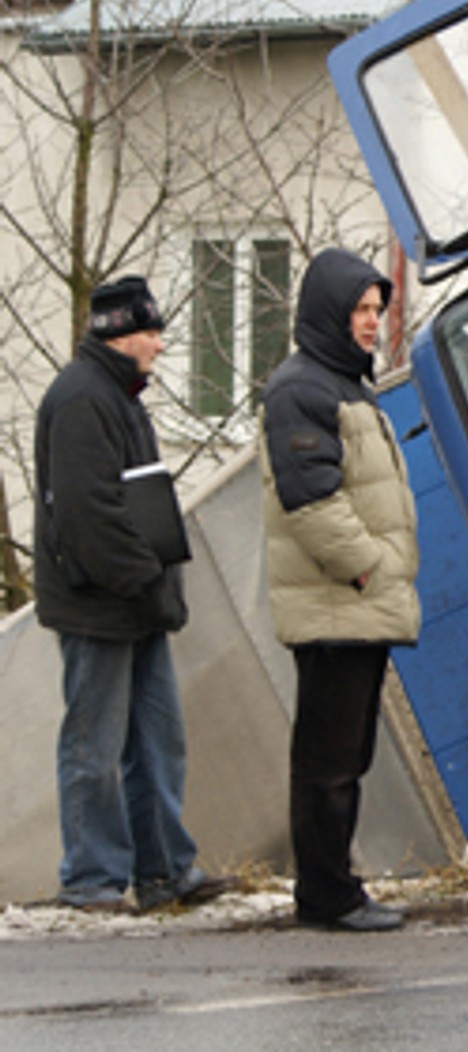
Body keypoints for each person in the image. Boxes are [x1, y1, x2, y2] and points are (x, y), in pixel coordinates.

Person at [34, 276, 234, 913]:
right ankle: (91, 878)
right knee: (94, 743)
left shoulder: (115, 395)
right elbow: (89, 517)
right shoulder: (83, 401)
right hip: (102, 604)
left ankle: (165, 870)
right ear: (121, 334)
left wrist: (153, 587)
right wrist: (147, 579)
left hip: (134, 601)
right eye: (151, 331)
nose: (159, 343)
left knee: (156, 740)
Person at [259, 248, 419, 932]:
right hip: (336, 604)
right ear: (328, 309)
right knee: (327, 762)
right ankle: (326, 897)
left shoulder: (345, 384)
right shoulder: (303, 388)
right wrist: (370, 569)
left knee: (347, 757)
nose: (371, 323)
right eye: (359, 309)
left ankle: (336, 887)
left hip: (356, 605)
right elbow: (313, 502)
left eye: (376, 310)